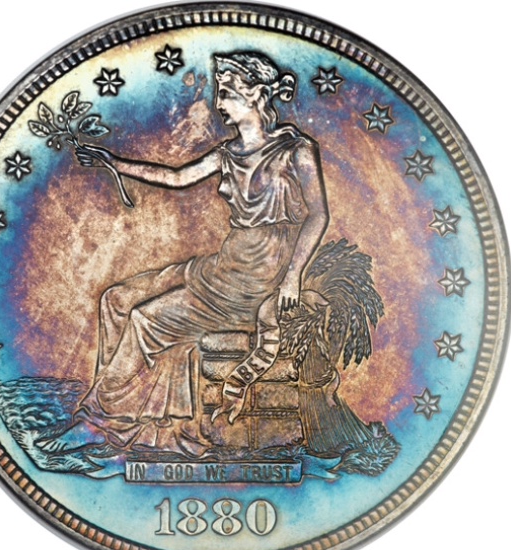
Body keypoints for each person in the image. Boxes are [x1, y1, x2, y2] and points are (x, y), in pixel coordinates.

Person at [38, 51, 329, 457]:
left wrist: (293, 276)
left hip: (252, 281)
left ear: (257, 95)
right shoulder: (227, 154)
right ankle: (129, 418)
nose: (219, 104)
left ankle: (98, 422)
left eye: (228, 93)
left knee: (144, 320)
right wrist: (115, 163)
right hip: (221, 269)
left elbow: (318, 214)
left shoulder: (296, 150)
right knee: (116, 300)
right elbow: (177, 178)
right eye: (219, 93)